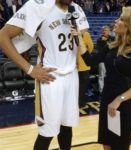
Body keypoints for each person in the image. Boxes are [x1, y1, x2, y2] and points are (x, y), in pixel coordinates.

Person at [0, 0, 89, 149]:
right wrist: (30, 69)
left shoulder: (77, 9)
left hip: (72, 76)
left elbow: (81, 40)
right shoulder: (38, 6)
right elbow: (3, 36)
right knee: (46, 132)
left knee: (67, 127)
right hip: (50, 79)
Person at [80, 6, 131, 150]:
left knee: (119, 146)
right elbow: (89, 61)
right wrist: (77, 37)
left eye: (121, 19)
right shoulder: (112, 45)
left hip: (123, 104)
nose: (116, 21)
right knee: (107, 144)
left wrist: (119, 99)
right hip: (107, 100)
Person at [78, 29, 94, 107]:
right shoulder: (86, 34)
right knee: (83, 86)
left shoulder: (72, 33)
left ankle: (76, 102)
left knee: (76, 86)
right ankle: (81, 103)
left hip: (75, 65)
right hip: (84, 64)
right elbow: (91, 47)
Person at [96, 25, 114, 94]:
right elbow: (101, 51)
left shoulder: (112, 38)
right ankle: (101, 91)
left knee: (111, 75)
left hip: (111, 60)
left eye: (105, 30)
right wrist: (104, 42)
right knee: (101, 76)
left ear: (109, 31)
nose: (104, 32)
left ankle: (110, 89)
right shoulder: (99, 40)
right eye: (103, 30)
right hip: (102, 61)